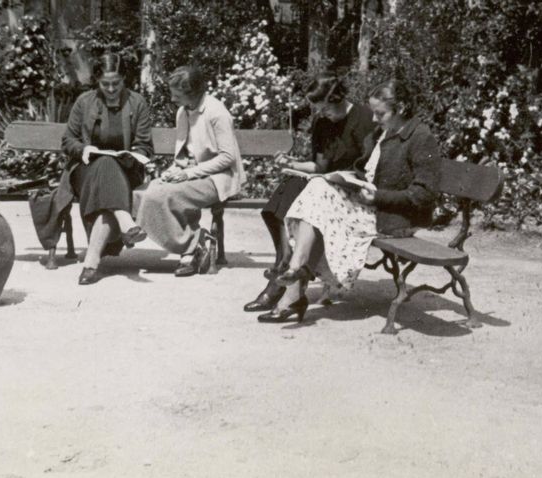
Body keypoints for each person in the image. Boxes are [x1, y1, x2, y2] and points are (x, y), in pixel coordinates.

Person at [258, 77, 441, 323]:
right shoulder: (382, 132)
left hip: (396, 217)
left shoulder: (420, 137)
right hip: (371, 206)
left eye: (380, 113)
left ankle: (293, 287)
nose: (374, 119)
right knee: (319, 187)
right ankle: (295, 272)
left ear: (402, 109)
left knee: (321, 209)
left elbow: (425, 194)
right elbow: (366, 169)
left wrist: (378, 196)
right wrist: (349, 180)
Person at [245, 73, 377, 314]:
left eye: (325, 110)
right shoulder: (323, 124)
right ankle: (284, 262)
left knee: (307, 193)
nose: (321, 115)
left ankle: (282, 279)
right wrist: (291, 164)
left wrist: (346, 180)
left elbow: (370, 169)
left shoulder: (364, 118)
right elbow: (320, 167)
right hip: (326, 183)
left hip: (352, 192)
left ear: (338, 99)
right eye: (318, 111)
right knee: (285, 191)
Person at [136, 65, 244, 277]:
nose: (172, 99)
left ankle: (190, 249)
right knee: (143, 193)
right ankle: (193, 244)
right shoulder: (183, 112)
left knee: (164, 195)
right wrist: (173, 170)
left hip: (219, 178)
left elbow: (227, 157)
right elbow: (185, 152)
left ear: (192, 93)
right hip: (192, 173)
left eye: (177, 95)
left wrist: (187, 174)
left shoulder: (216, 112)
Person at [59, 53, 154, 285]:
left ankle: (91, 261)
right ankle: (125, 221)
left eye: (116, 83)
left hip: (126, 170)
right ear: (97, 82)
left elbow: (145, 145)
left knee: (109, 172)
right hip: (86, 170)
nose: (111, 89)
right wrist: (83, 149)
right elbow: (68, 140)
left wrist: (132, 155)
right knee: (104, 165)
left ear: (124, 79)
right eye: (105, 84)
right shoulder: (84, 102)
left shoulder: (137, 102)